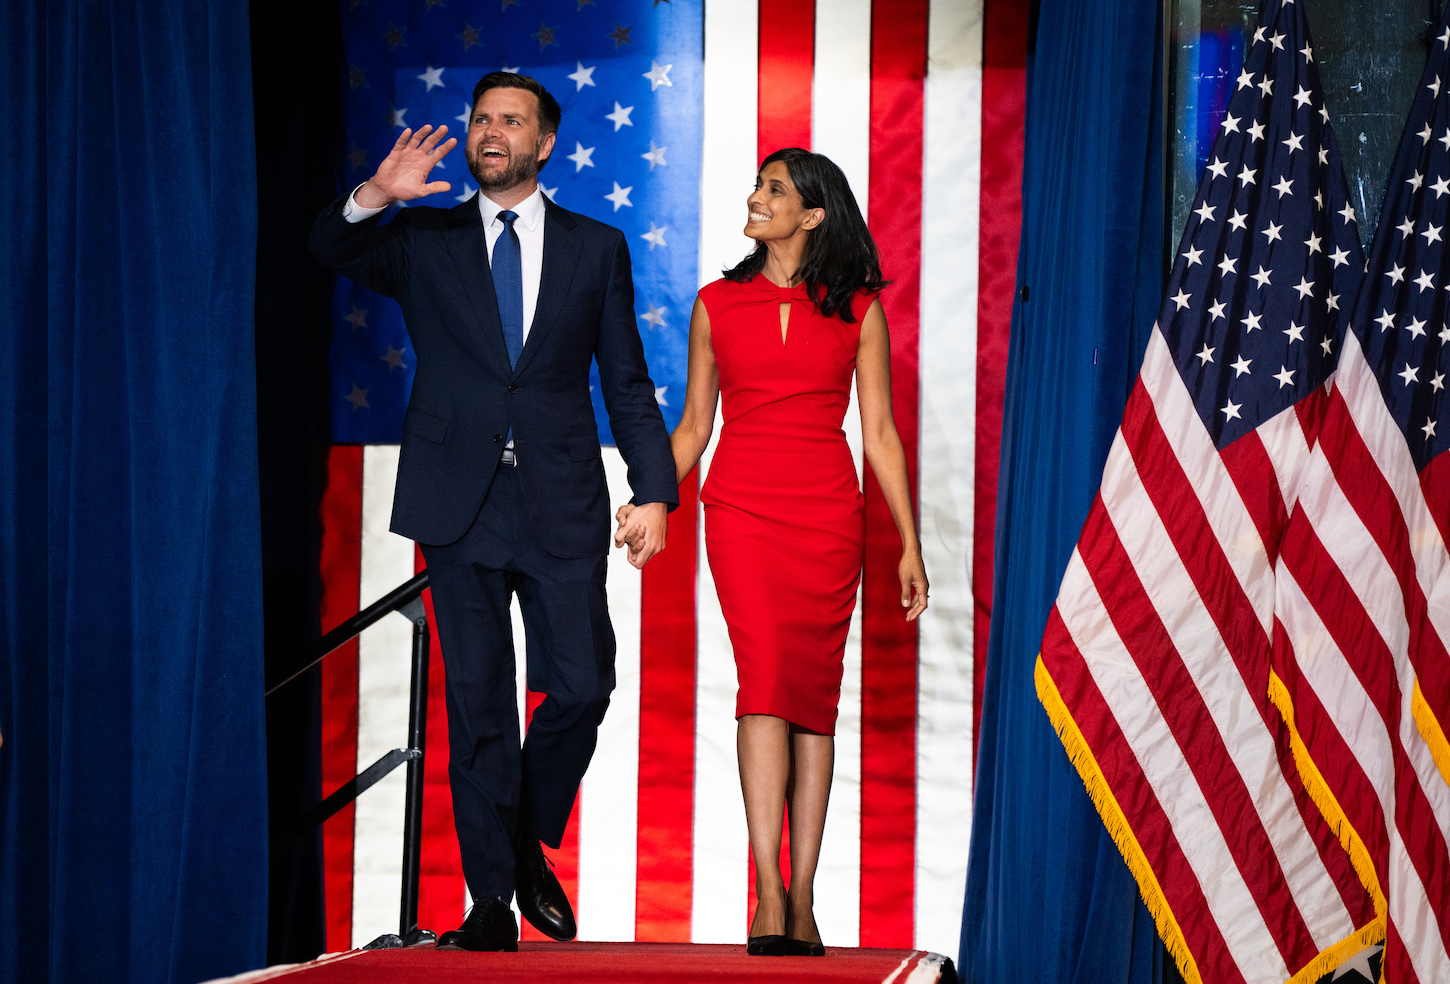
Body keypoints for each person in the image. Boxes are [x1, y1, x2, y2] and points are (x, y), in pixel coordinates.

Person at [310, 72, 677, 952]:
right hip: (456, 501)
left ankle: (520, 837)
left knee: (584, 685)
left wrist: (654, 487)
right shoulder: (424, 239)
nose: (491, 132)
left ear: (544, 143)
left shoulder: (597, 248)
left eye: (510, 121)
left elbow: (624, 380)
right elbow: (329, 248)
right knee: (479, 708)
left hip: (560, 499)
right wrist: (370, 197)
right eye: (481, 119)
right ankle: (488, 904)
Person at [616, 148, 928, 956]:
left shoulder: (860, 309)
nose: (756, 198)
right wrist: (654, 498)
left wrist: (908, 546)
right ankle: (767, 889)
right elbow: (692, 427)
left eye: (774, 189)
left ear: (813, 215)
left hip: (829, 516)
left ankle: (807, 895)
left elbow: (883, 435)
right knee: (763, 684)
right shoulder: (716, 303)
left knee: (812, 699)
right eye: (759, 185)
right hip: (744, 512)